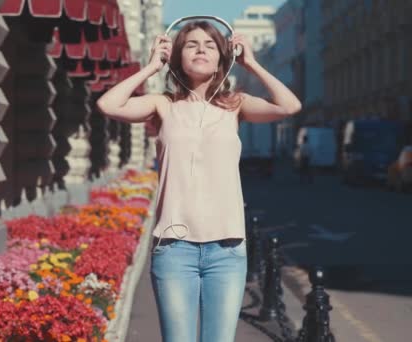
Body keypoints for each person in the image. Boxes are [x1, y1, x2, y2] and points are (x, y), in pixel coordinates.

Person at [96, 20, 301, 342]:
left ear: (223, 57)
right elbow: (108, 104)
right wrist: (151, 67)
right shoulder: (162, 104)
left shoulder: (235, 105)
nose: (201, 49)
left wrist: (251, 62)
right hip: (174, 249)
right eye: (191, 44)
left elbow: (289, 106)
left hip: (228, 249)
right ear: (177, 57)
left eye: (209, 45)